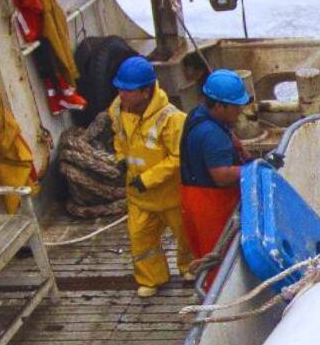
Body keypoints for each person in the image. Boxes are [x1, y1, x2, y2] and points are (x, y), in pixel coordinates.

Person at [108, 55, 189, 298]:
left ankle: (190, 267)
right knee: (141, 239)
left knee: (185, 235)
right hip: (139, 196)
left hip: (170, 195)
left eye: (127, 90)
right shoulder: (117, 110)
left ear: (145, 92)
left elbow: (177, 157)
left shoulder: (172, 119)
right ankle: (151, 278)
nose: (122, 95)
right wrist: (121, 159)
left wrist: (148, 179)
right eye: (120, 89)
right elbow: (119, 137)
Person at [180, 69, 252, 293]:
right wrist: (252, 169)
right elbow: (221, 176)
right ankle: (218, 300)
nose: (240, 110)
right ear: (219, 106)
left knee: (205, 253)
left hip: (190, 195)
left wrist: (238, 144)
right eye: (236, 106)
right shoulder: (212, 136)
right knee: (219, 260)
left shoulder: (198, 114)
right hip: (211, 205)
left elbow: (225, 131)